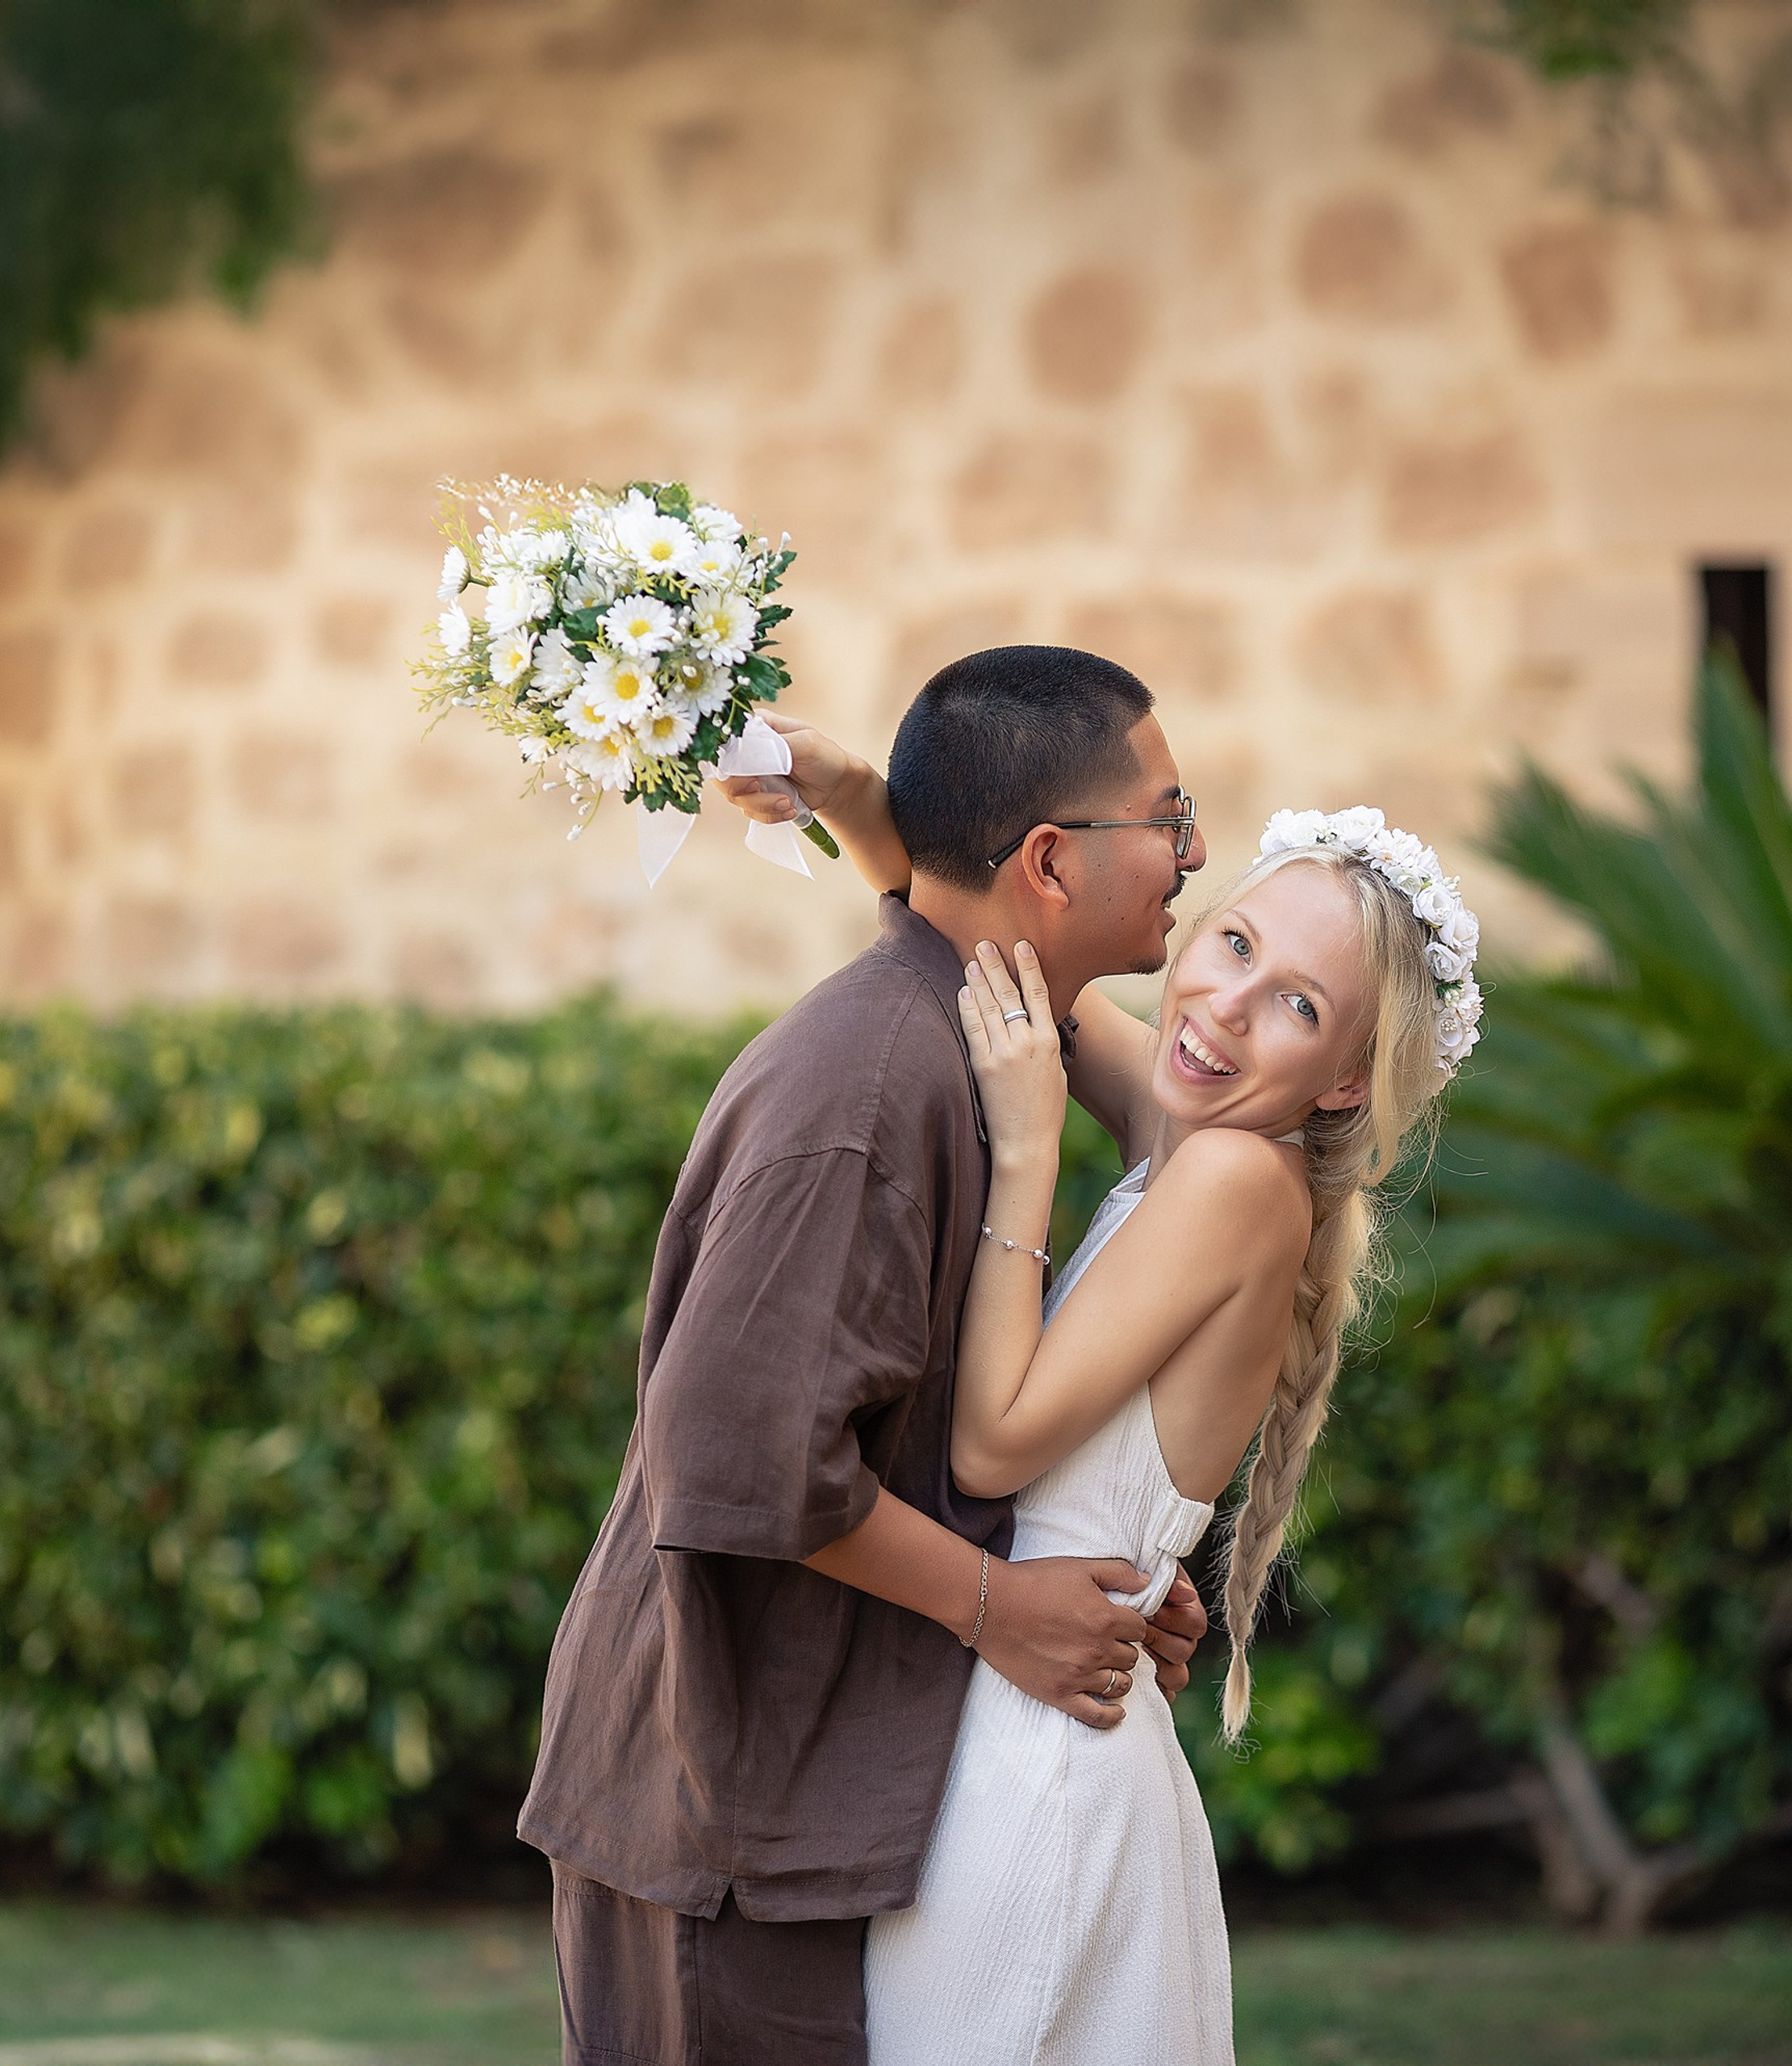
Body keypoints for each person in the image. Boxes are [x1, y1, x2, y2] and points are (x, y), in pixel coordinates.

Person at [723, 729, 1481, 2063]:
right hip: (1027, 1708)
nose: (1227, 1007)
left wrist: (1024, 1155)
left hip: (1041, 1755)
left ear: (1348, 1080)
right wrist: (851, 796)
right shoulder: (1198, 1128)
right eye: (1236, 943)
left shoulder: (1239, 1184)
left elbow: (1000, 1442)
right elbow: (987, 944)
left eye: (1301, 1006)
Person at [519, 646, 1218, 2066]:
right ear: (1049, 860)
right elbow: (734, 1454)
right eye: (1170, 816)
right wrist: (994, 1606)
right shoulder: (872, 1081)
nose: (1194, 854)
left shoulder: (975, 1032)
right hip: (725, 1808)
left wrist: (1095, 1562)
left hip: (808, 1788)